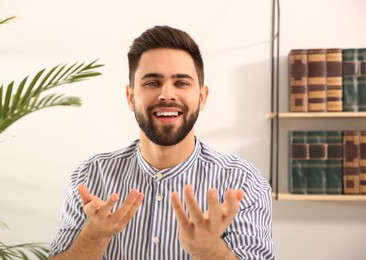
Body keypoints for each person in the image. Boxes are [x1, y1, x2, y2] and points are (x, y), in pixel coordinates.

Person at [49, 25, 275, 260]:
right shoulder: (91, 176)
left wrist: (209, 251)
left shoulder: (243, 182)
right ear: (130, 97)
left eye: (181, 83)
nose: (166, 94)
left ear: (202, 96)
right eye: (152, 83)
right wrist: (94, 235)